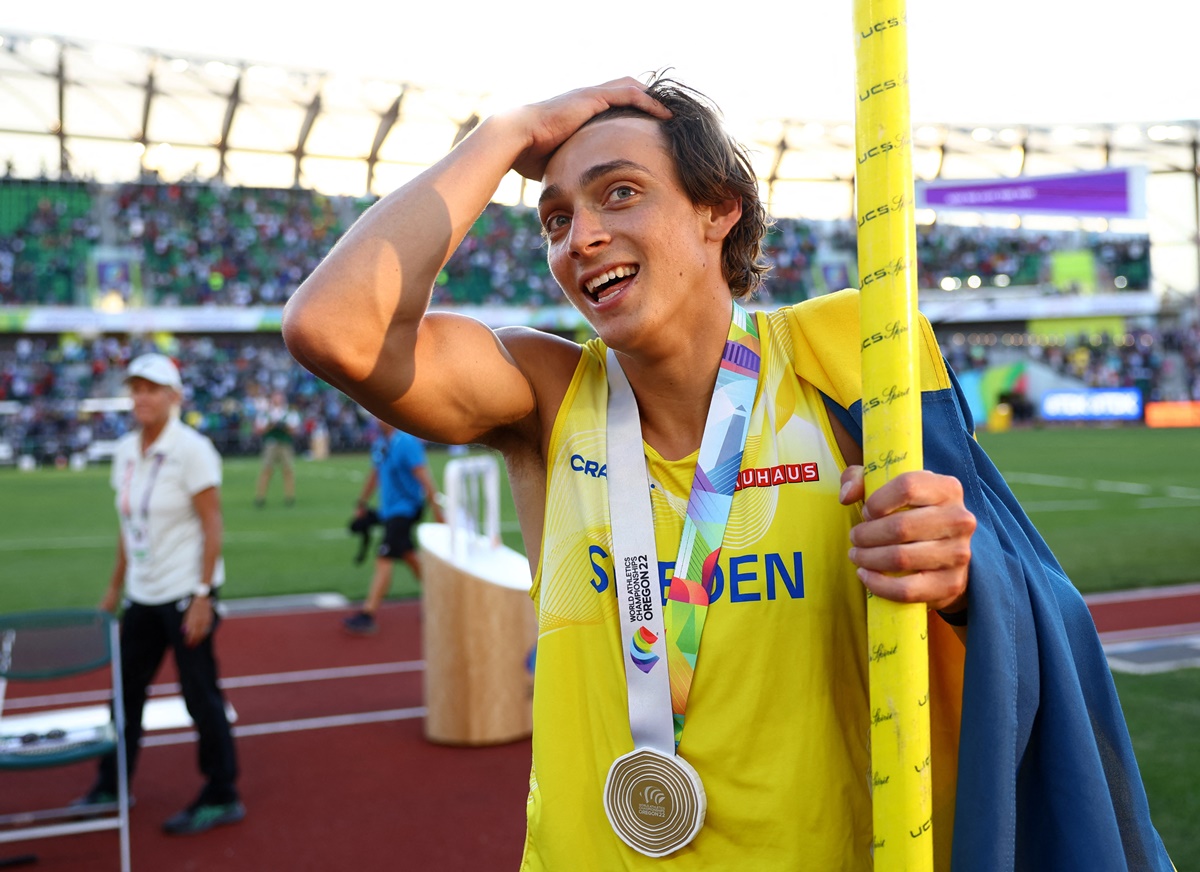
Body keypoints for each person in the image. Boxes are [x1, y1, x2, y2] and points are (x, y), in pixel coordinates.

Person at [281, 77, 1172, 869]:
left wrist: (964, 582)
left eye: (618, 195)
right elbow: (333, 332)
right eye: (557, 219)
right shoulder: (545, 394)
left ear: (720, 210)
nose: (581, 238)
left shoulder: (847, 366)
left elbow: (1016, 613)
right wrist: (508, 132)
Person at [75, 352, 245, 836]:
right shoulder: (128, 450)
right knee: (123, 694)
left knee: (199, 695)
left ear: (174, 397)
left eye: (152, 389)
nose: (141, 397)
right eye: (136, 389)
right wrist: (113, 588)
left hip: (182, 593)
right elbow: (129, 527)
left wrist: (203, 595)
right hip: (142, 594)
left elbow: (213, 525)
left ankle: (222, 792)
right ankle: (112, 783)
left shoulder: (192, 449)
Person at [342, 419, 444, 635]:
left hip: (405, 510)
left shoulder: (406, 443)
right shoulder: (380, 443)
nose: (375, 417)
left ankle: (368, 614)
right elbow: (375, 474)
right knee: (408, 555)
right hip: (388, 510)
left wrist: (437, 510)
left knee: (384, 557)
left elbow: (425, 478)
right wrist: (362, 502)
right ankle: (441, 599)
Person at [253, 389, 300, 507]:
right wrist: (271, 426)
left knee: (288, 470)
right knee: (267, 470)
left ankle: (290, 496)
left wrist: (284, 427)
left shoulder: (290, 412)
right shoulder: (266, 413)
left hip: (285, 444)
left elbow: (294, 430)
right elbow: (259, 430)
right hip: (271, 444)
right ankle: (260, 496)